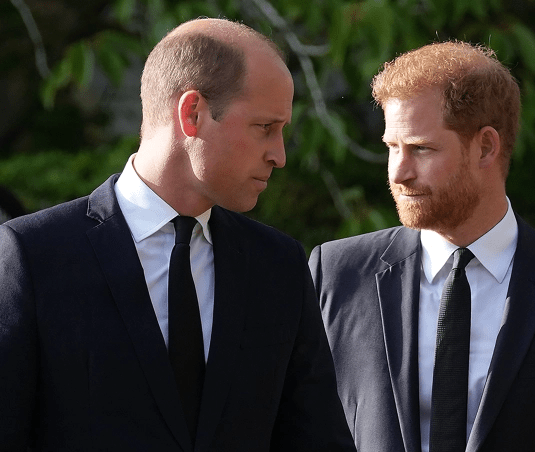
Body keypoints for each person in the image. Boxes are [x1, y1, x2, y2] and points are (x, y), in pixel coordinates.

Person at [0, 18, 355, 452]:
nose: (279, 156)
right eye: (265, 127)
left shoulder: (277, 265)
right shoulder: (34, 256)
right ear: (192, 113)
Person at [309, 41, 535, 452]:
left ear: (486, 147)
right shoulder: (337, 272)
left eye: (421, 148)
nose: (398, 173)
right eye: (391, 148)